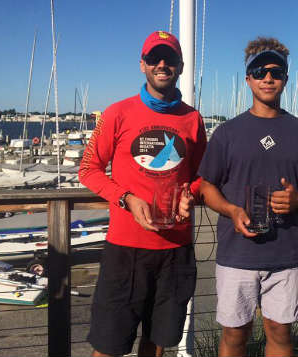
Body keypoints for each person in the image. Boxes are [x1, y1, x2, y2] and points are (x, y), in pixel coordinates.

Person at [198, 37, 298, 357]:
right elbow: (207, 187)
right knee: (234, 336)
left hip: (286, 254)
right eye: (260, 72)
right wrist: (231, 210)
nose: (268, 78)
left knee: (280, 335)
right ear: (248, 79)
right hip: (237, 255)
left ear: (286, 79)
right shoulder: (227, 133)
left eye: (276, 72)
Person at [79, 30, 207, 357]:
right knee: (108, 345)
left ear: (179, 65)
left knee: (158, 342)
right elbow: (88, 169)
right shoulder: (116, 113)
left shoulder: (193, 119)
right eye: (154, 58)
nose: (162, 64)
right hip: (125, 249)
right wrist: (126, 198)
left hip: (175, 249)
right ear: (142, 65)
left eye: (169, 59)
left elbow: (202, 176)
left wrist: (188, 194)